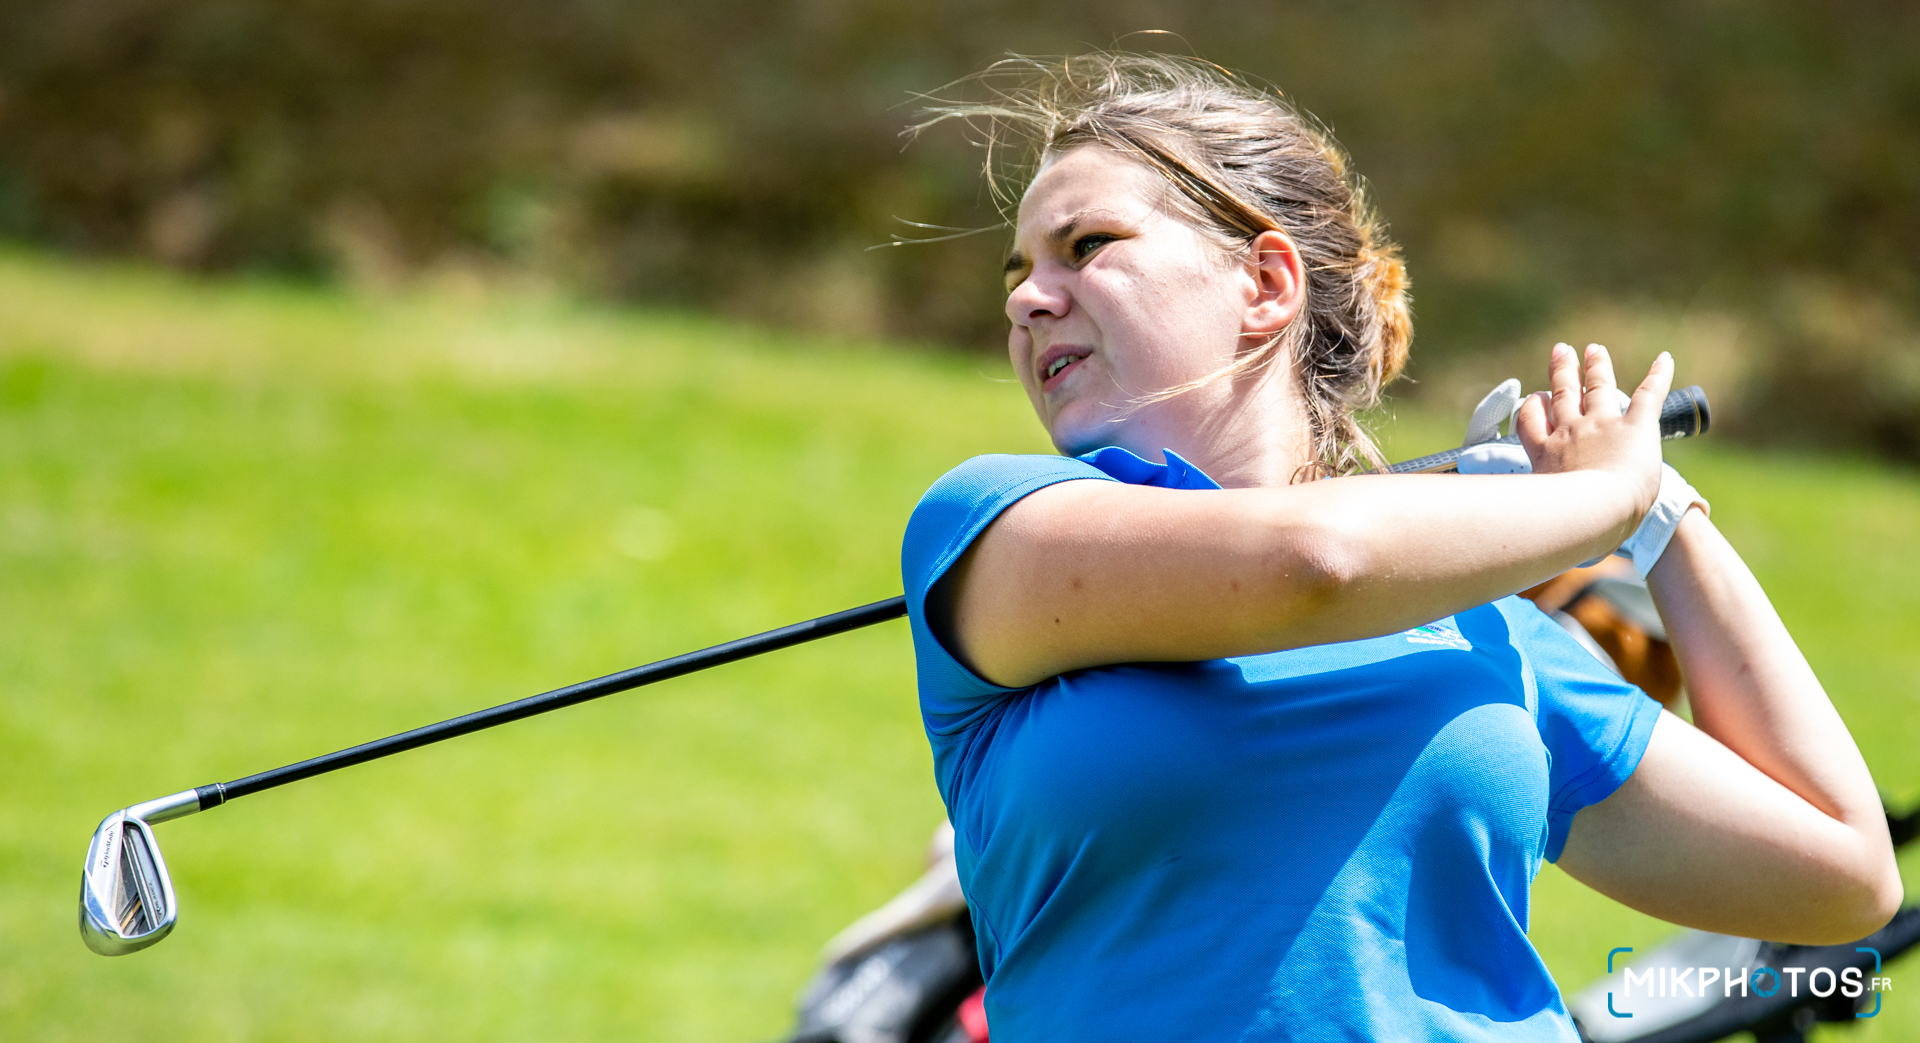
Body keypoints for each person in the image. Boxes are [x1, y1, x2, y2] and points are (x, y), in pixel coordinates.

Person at [898, 53, 1899, 1041]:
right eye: (1019, 274)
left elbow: (1843, 877)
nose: (1026, 299)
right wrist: (1602, 495)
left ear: (1264, 283)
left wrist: (1661, 514)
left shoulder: (1483, 632)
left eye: (1086, 245)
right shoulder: (993, 523)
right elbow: (1313, 565)